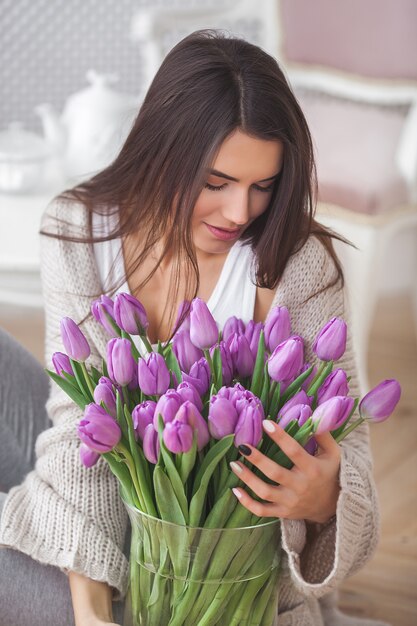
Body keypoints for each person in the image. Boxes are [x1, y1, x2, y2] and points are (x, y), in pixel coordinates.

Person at [0, 30, 390, 626]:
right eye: (215, 183)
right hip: (98, 555)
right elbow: (78, 430)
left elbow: (349, 449)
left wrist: (326, 499)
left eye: (263, 186)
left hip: (220, 596)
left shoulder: (294, 264)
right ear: (162, 153)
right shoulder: (80, 230)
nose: (240, 213)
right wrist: (90, 614)